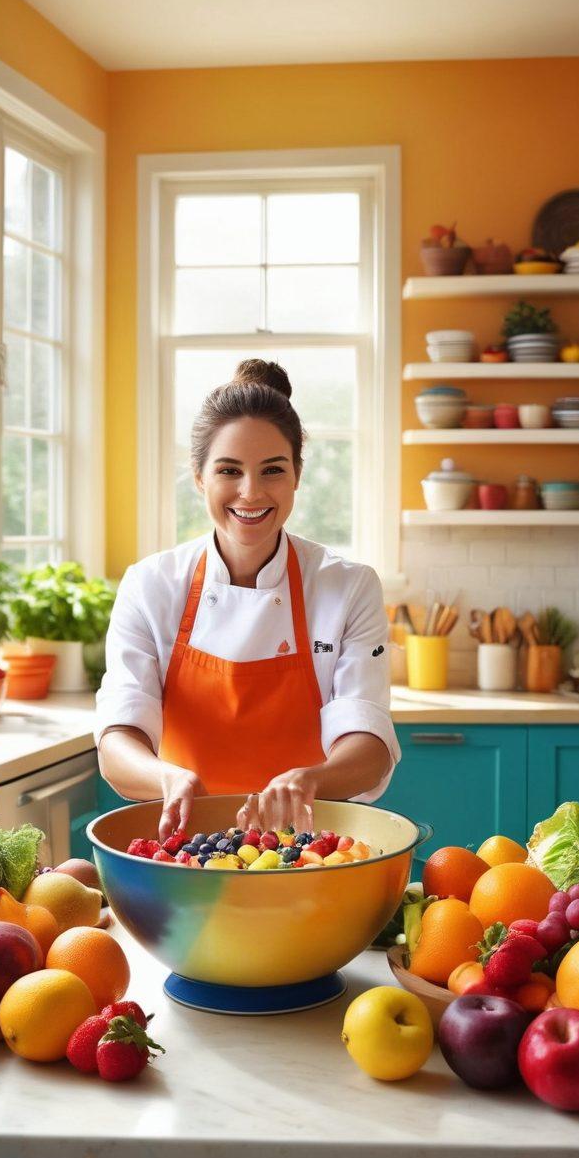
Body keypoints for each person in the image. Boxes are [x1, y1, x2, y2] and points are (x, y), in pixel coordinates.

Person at [96, 359, 399, 841]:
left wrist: (310, 780)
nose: (250, 492)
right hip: (185, 850)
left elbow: (370, 745)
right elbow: (117, 740)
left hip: (308, 849)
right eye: (229, 470)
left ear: (297, 474)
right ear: (199, 477)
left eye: (272, 470)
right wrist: (167, 778)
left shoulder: (348, 586)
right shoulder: (151, 584)